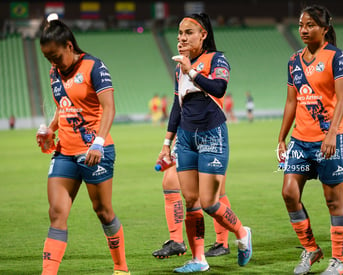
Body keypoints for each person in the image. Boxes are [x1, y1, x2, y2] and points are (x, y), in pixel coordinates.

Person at [157, 13, 252, 273]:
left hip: (212, 134)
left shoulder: (216, 59)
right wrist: (167, 142)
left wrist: (192, 71)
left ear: (203, 35)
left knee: (210, 202)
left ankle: (242, 233)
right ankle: (199, 259)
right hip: (186, 138)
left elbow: (219, 88)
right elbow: (177, 107)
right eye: (179, 33)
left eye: (188, 32)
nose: (181, 38)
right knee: (191, 201)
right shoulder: (180, 67)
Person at [37, 14, 130, 275]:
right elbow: (62, 108)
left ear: (69, 46)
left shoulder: (94, 67)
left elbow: (108, 108)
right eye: (48, 59)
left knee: (103, 211)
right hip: (64, 152)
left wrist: (98, 143)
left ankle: (121, 268)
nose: (53, 63)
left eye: (55, 56)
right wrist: (49, 129)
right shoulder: (55, 72)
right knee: (56, 213)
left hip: (95, 152)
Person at [276, 5, 343, 275]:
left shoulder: (337, 57)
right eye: (300, 25)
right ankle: (310, 248)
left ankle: (338, 260)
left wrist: (331, 133)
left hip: (330, 140)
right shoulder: (294, 60)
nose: (304, 30)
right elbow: (291, 102)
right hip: (300, 140)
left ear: (325, 28)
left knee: (333, 200)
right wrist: (281, 138)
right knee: (288, 192)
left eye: (310, 25)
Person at [152, 144, 231, 259]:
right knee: (170, 184)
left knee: (216, 192)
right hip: (184, 138)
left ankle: (224, 241)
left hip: (210, 140)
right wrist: (167, 144)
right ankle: (177, 241)